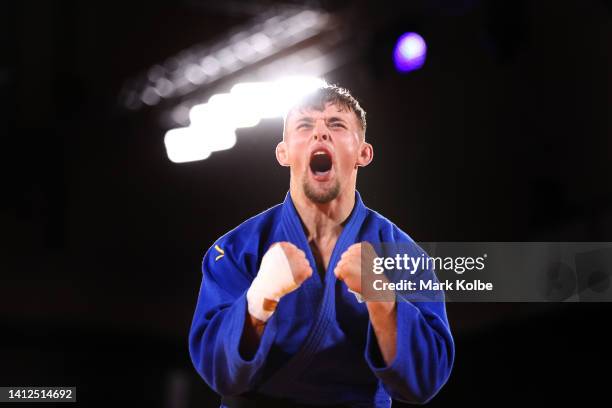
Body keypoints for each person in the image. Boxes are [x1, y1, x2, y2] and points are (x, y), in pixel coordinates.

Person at [188, 84, 454, 407]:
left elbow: (425, 382)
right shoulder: (236, 249)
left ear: (363, 153)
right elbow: (218, 374)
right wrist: (257, 303)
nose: (320, 134)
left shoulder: (404, 255)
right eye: (304, 125)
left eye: (336, 124)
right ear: (283, 153)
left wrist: (384, 303)